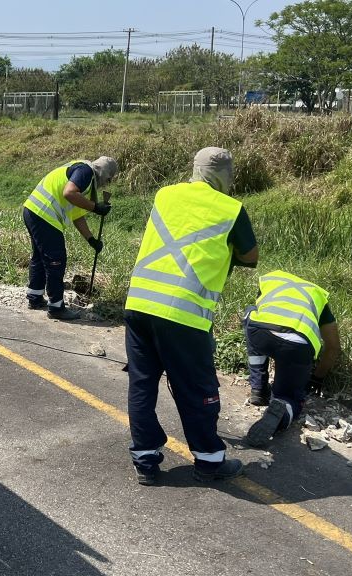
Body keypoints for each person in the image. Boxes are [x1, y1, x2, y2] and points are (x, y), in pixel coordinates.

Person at [124, 147, 258, 485]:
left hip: (139, 302)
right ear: (227, 176)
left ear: (195, 169)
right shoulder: (231, 209)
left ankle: (145, 459)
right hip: (183, 312)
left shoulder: (165, 195)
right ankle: (210, 461)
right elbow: (251, 256)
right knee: (198, 387)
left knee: (142, 383)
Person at [243, 270, 341, 447]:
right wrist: (317, 377)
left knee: (250, 313)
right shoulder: (317, 296)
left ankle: (258, 387)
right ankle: (282, 411)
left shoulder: (271, 280)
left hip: (261, 332)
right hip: (297, 346)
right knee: (289, 397)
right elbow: (333, 347)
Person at [23, 156, 117, 320]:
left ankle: (35, 297)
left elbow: (77, 215)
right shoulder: (85, 171)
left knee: (40, 256)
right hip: (44, 214)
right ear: (105, 174)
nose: (106, 184)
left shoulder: (82, 178)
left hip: (33, 210)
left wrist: (91, 239)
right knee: (56, 260)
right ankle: (56, 307)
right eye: (108, 180)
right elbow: (69, 193)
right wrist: (96, 208)